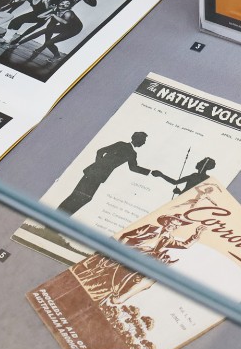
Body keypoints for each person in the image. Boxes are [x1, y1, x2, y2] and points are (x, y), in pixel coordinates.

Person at [70, 215, 205, 306]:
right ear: (166, 221)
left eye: (175, 226)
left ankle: (118, 294)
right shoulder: (149, 228)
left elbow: (185, 245)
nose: (172, 227)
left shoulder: (168, 239)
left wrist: (197, 234)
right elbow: (126, 236)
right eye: (171, 223)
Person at [56, 131, 153, 214]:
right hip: (93, 173)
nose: (144, 143)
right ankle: (53, 220)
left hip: (99, 176)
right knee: (77, 196)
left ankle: (57, 222)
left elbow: (133, 168)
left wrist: (150, 172)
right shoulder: (121, 145)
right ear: (138, 139)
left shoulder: (132, 153)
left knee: (85, 198)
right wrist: (99, 167)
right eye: (143, 140)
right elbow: (100, 151)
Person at [5, 0, 83, 63]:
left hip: (74, 29)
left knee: (49, 43)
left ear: (69, 6)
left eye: (67, 4)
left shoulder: (68, 13)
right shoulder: (56, 10)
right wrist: (50, 10)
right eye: (62, 2)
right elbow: (40, 16)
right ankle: (18, 44)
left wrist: (53, 15)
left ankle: (57, 56)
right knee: (42, 31)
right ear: (59, 2)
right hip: (65, 26)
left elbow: (65, 22)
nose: (63, 4)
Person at [151, 157, 216, 195]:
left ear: (204, 165)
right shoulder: (195, 175)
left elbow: (175, 182)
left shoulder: (204, 178)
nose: (198, 163)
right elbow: (176, 183)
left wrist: (161, 175)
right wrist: (180, 192)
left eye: (201, 162)